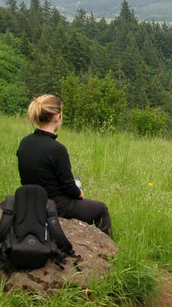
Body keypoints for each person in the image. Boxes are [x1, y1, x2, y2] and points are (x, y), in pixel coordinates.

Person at [16, 94, 112, 238]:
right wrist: (79, 192)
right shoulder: (57, 149)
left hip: (31, 202)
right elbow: (68, 187)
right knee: (101, 209)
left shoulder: (24, 142)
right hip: (56, 206)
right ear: (57, 117)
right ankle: (108, 252)